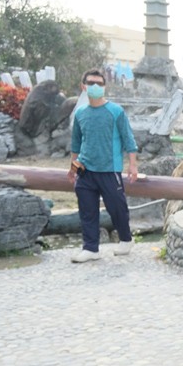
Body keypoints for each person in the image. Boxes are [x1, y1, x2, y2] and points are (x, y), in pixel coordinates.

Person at [67, 68, 138, 263]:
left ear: (105, 87)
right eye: (91, 83)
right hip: (84, 170)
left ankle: (126, 239)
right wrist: (72, 168)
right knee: (87, 210)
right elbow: (76, 144)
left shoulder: (115, 111)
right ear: (84, 86)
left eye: (99, 83)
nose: (95, 87)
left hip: (110, 169)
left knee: (117, 208)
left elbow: (128, 139)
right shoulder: (80, 113)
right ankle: (90, 248)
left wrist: (132, 166)